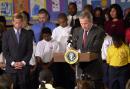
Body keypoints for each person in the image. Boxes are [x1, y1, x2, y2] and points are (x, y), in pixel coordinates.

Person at [72, 11, 105, 89]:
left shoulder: (99, 31)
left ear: (91, 21)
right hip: (80, 70)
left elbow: (95, 48)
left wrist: (79, 52)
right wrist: (71, 49)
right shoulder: (76, 31)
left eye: (85, 23)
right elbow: (73, 46)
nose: (83, 26)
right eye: (81, 23)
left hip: (94, 70)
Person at [2, 13, 33, 89]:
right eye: (16, 22)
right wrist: (13, 63)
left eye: (19, 22)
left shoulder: (28, 34)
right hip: (11, 69)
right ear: (12, 22)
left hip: (24, 69)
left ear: (22, 22)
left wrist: (22, 63)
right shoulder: (6, 34)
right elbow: (5, 51)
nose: (18, 24)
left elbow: (30, 51)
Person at [52, 13, 75, 89]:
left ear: (67, 20)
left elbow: (72, 42)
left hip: (68, 55)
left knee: (68, 74)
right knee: (58, 74)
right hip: (58, 56)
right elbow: (53, 41)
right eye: (60, 22)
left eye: (64, 22)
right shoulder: (56, 30)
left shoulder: (71, 29)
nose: (62, 24)